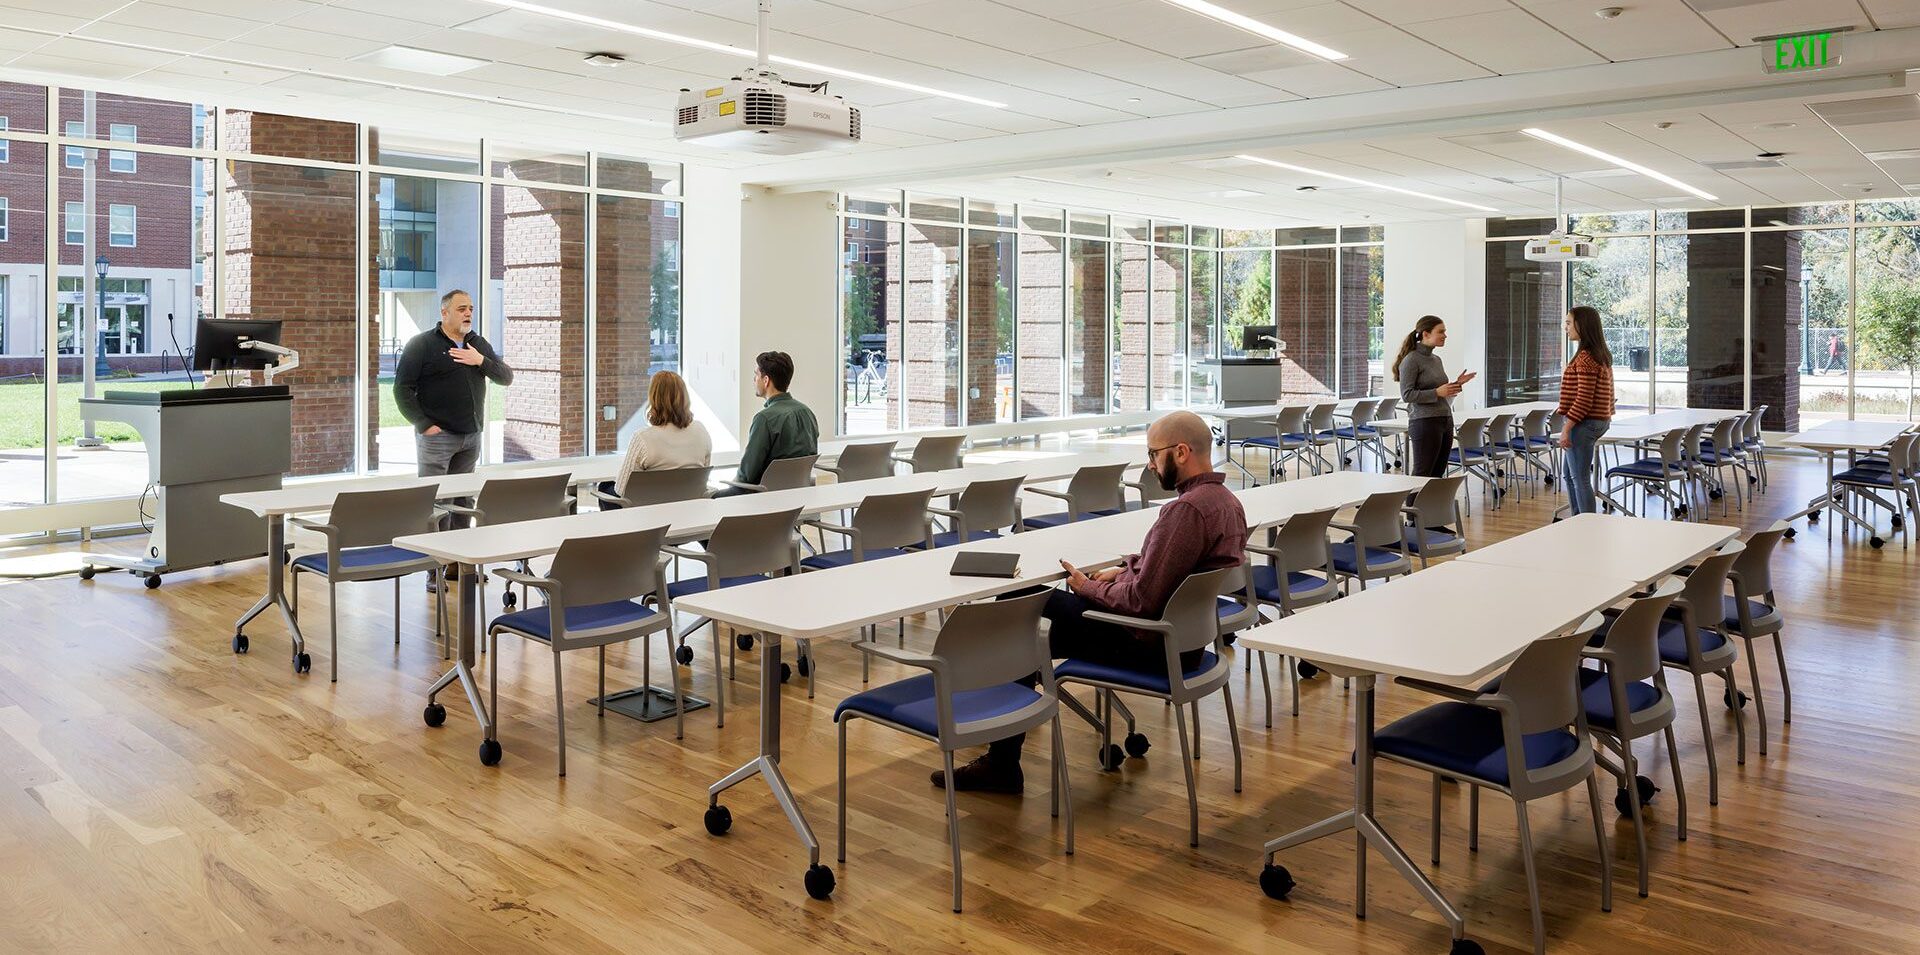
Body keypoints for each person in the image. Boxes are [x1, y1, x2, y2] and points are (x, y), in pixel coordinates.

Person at [934, 411, 1248, 794]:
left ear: (1181, 452)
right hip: (1185, 644)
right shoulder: (1226, 503)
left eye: (1153, 454)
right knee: (1028, 638)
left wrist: (1086, 587)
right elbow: (1172, 574)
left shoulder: (1185, 511)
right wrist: (1127, 568)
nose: (1149, 465)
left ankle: (1001, 754)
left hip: (1147, 644)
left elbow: (1140, 602)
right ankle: (1006, 733)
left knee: (1022, 601)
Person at [395, 289, 513, 589]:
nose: (467, 313)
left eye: (470, 308)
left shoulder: (477, 344)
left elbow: (505, 376)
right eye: (461, 308)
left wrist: (480, 360)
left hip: (470, 437)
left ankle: (459, 565)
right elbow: (402, 389)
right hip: (438, 437)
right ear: (444, 312)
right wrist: (423, 424)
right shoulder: (422, 345)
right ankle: (433, 571)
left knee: (462, 502)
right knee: (436, 503)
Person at [597, 370, 712, 508]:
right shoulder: (701, 431)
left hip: (649, 514)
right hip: (687, 509)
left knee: (605, 487)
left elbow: (622, 489)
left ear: (654, 399)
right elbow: (702, 477)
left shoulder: (643, 438)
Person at [715, 351, 818, 497]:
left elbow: (747, 475)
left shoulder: (764, 419)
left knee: (709, 498)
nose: (754, 379)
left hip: (764, 498)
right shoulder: (807, 413)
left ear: (766, 380)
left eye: (756, 375)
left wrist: (732, 483)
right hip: (797, 497)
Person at [1392, 315, 1473, 479]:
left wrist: (1457, 384)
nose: (1445, 335)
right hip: (1424, 422)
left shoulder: (1436, 359)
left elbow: (1441, 390)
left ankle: (1432, 505)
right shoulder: (1411, 360)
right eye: (1441, 331)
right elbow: (1407, 395)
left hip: (1445, 419)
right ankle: (1412, 505)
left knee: (1438, 473)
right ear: (1426, 334)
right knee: (1422, 474)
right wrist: (1436, 392)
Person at [1557, 306, 1615, 516]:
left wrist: (1566, 428)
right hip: (1595, 420)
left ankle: (1588, 524)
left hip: (1584, 423)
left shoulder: (1586, 358)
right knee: (1569, 475)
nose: (1566, 328)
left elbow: (1583, 399)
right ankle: (1577, 520)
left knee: (1579, 478)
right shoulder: (1598, 354)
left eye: (1569, 323)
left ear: (1582, 325)